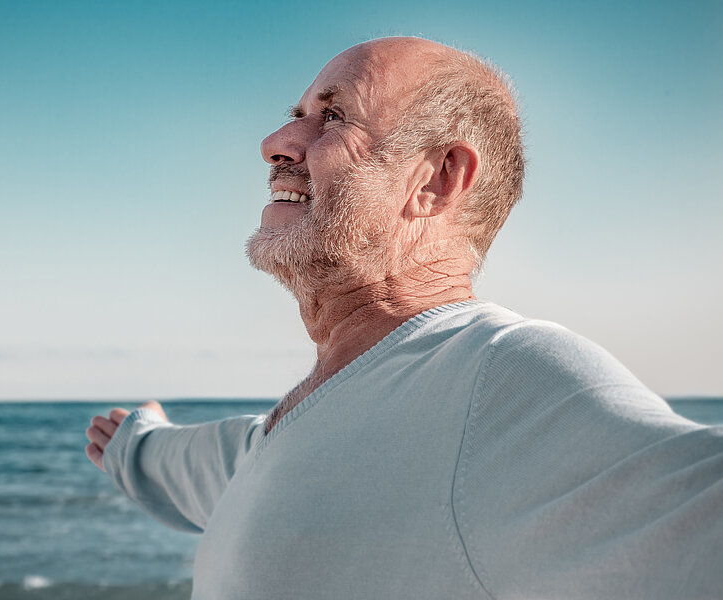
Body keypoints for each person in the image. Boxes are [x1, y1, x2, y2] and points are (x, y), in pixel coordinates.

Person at [84, 37, 723, 599]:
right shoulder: (309, 427)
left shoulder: (505, 380)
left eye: (332, 117)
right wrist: (136, 445)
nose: (275, 144)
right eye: (295, 117)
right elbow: (232, 468)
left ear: (439, 178)